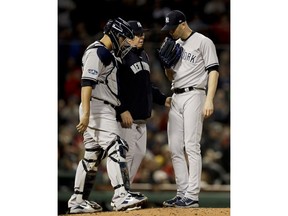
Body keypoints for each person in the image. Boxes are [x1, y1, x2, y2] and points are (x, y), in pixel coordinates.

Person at [67, 17, 147, 213]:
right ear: (114, 34)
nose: (123, 42)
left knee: (92, 156)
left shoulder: (106, 53)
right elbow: (87, 83)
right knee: (116, 146)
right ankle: (121, 196)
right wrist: (86, 114)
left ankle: (77, 200)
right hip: (97, 107)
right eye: (122, 38)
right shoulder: (98, 51)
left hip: (100, 107)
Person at [159, 10, 220, 208]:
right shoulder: (175, 44)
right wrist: (167, 67)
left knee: (191, 145)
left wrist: (209, 99)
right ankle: (182, 192)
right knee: (175, 147)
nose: (170, 32)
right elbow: (171, 77)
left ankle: (192, 195)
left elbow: (213, 71)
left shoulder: (203, 41)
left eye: (172, 27)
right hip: (176, 95)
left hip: (195, 94)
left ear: (183, 24)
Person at [116, 20, 171, 186]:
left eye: (142, 34)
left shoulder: (144, 55)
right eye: (137, 34)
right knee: (126, 156)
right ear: (126, 37)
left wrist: (163, 99)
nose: (142, 37)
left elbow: (147, 85)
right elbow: (113, 86)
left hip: (142, 120)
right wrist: (122, 109)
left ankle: (125, 192)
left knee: (138, 156)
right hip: (127, 120)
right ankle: (119, 194)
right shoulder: (120, 57)